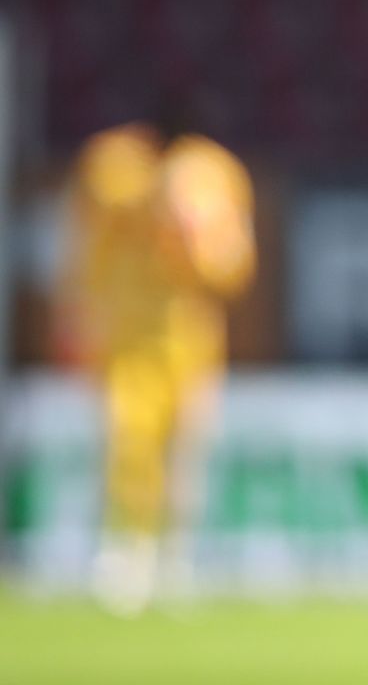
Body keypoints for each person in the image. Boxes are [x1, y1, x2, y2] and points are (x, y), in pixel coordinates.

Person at [58, 96, 256, 615]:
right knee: (129, 442)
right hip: (128, 331)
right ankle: (126, 553)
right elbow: (87, 249)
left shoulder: (212, 175)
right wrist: (80, 313)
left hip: (189, 334)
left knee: (185, 448)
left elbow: (233, 266)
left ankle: (174, 556)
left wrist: (198, 241)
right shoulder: (112, 168)